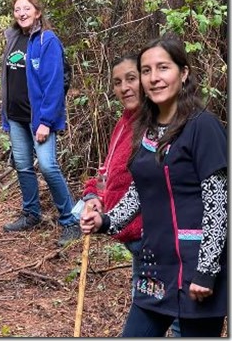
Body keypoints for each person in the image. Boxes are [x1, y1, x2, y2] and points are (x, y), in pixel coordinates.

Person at [80, 37, 227, 337]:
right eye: (146, 70)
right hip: (154, 267)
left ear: (183, 73)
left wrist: (207, 271)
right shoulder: (145, 129)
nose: (154, 78)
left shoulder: (203, 126)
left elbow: (218, 204)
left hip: (195, 267)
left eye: (163, 68)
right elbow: (140, 191)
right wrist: (105, 220)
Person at [81, 54, 181, 336]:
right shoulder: (126, 121)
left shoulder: (154, 125)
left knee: (173, 314)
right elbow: (108, 169)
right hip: (131, 236)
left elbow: (150, 184)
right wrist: (93, 195)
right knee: (154, 309)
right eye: (116, 82)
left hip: (153, 238)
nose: (124, 87)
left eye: (131, 78)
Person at [0, 0, 80, 247]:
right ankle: (31, 213)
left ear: (37, 11)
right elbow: (8, 79)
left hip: (39, 119)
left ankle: (70, 220)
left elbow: (54, 84)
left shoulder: (47, 40)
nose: (21, 13)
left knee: (47, 165)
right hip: (15, 116)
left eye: (26, 8)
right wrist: (5, 116)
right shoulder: (12, 38)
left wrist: (46, 121)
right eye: (17, 10)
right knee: (22, 165)